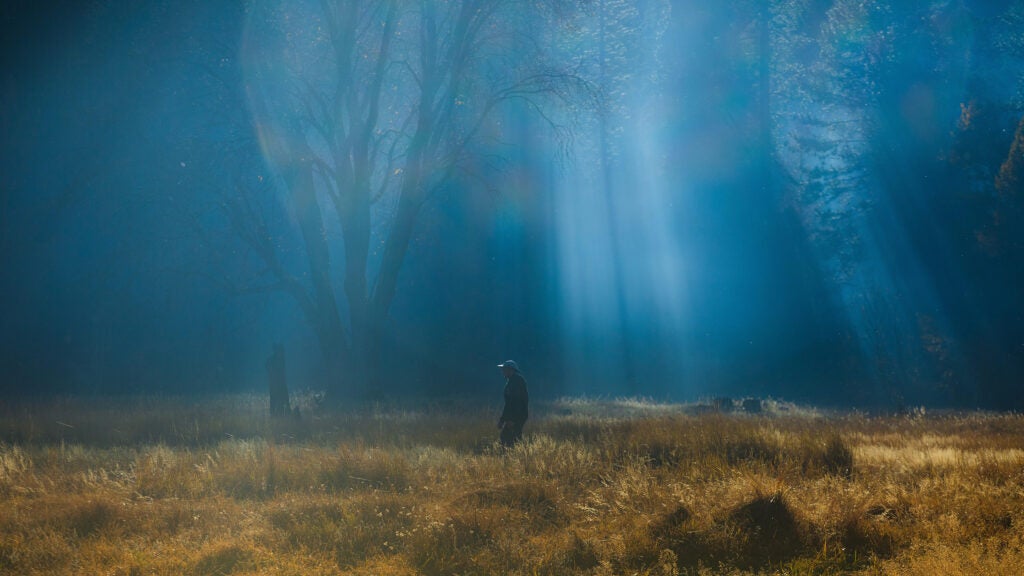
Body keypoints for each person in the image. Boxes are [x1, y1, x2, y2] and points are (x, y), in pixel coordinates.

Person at [497, 360, 529, 447]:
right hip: (515, 416)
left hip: (517, 416)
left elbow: (517, 402)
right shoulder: (512, 381)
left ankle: (517, 456)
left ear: (510, 370)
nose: (502, 371)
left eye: (504, 369)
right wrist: (502, 420)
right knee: (512, 438)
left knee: (508, 438)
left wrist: (513, 419)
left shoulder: (517, 381)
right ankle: (519, 455)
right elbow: (508, 404)